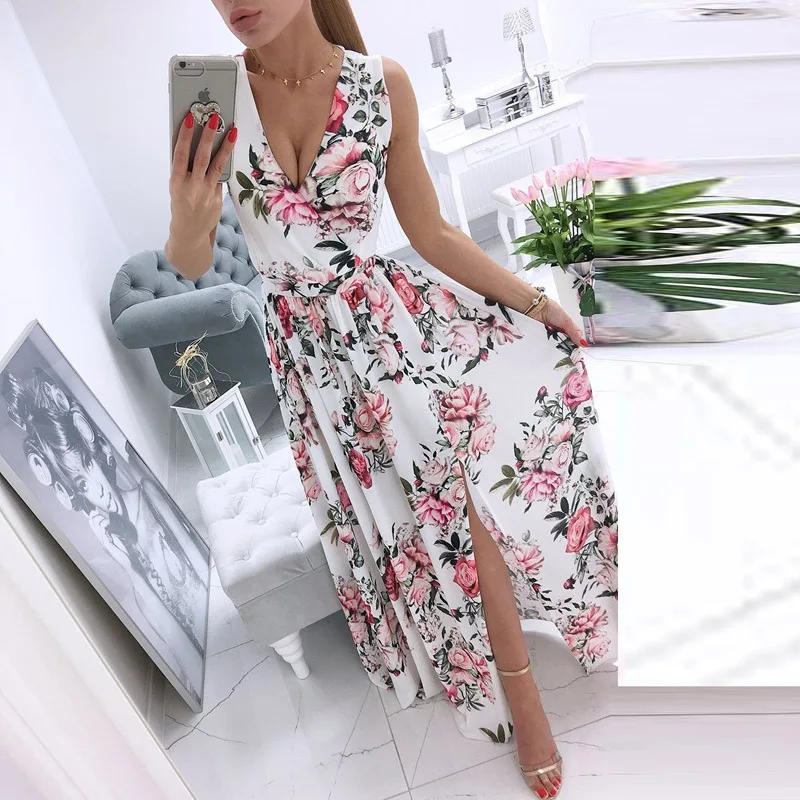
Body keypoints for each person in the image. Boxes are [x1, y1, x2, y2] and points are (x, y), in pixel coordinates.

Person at [165, 1, 619, 795]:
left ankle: (523, 694)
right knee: (400, 513)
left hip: (388, 323)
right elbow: (191, 261)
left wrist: (536, 301)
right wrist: (186, 218)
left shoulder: (382, 85)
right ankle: (455, 643)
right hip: (308, 358)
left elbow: (432, 232)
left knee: (460, 493)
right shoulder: (213, 98)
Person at [1, 369, 207, 664]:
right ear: (74, 493)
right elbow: (184, 657)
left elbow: (204, 568)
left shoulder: (149, 495)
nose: (97, 488)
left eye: (87, 463)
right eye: (82, 484)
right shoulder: (125, 556)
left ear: (94, 452)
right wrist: (129, 568)